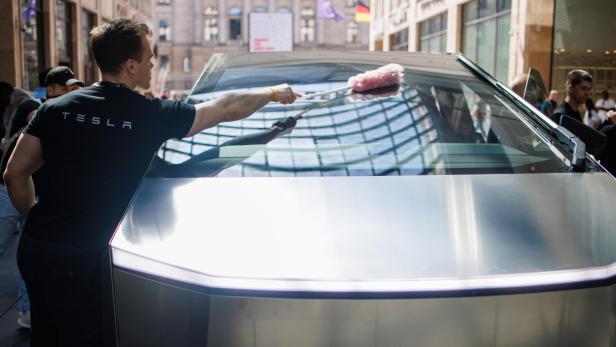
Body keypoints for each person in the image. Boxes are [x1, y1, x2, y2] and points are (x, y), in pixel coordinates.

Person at [4, 18, 300, 346]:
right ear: (130, 65)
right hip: (89, 256)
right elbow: (224, 108)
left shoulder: (53, 109)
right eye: (148, 56)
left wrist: (32, 214)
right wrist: (274, 93)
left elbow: (15, 173)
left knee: (48, 334)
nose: (152, 63)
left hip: (39, 248)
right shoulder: (150, 114)